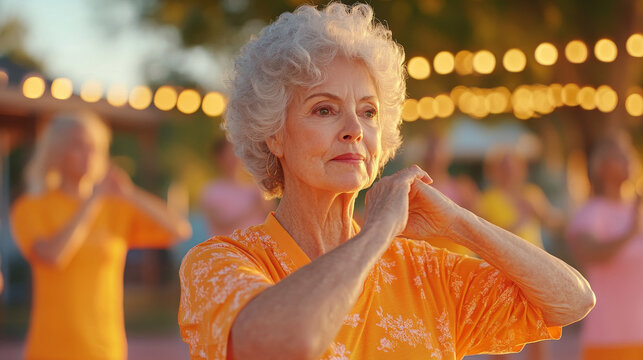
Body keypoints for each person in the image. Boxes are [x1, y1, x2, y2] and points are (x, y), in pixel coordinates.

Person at [178, 4, 595, 360]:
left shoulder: (424, 272)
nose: (354, 129)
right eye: (324, 110)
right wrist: (377, 233)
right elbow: (287, 341)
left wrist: (459, 223)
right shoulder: (220, 263)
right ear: (274, 133)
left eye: (368, 111)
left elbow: (572, 301)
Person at [10, 112, 192, 360]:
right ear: (57, 151)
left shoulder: (116, 209)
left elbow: (179, 230)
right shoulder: (31, 208)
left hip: (105, 347)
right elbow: (53, 256)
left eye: (95, 147)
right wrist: (91, 202)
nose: (89, 155)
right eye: (79, 146)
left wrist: (129, 193)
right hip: (50, 349)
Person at [567, 138, 643, 360]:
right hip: (609, 338)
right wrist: (630, 233)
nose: (627, 160)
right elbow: (588, 252)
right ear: (600, 168)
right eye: (618, 156)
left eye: (628, 154)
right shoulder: (590, 212)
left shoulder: (637, 209)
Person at [200, 139, 273, 236]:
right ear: (219, 158)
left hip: (256, 247)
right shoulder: (212, 191)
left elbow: (270, 218)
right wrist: (251, 210)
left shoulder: (255, 187)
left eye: (236, 153)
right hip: (227, 248)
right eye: (229, 154)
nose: (234, 158)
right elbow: (220, 224)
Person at [421, 134, 479, 256]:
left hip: (457, 257)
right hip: (425, 256)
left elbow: (479, 224)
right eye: (431, 150)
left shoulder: (462, 187)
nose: (435, 156)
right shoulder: (413, 186)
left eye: (439, 150)